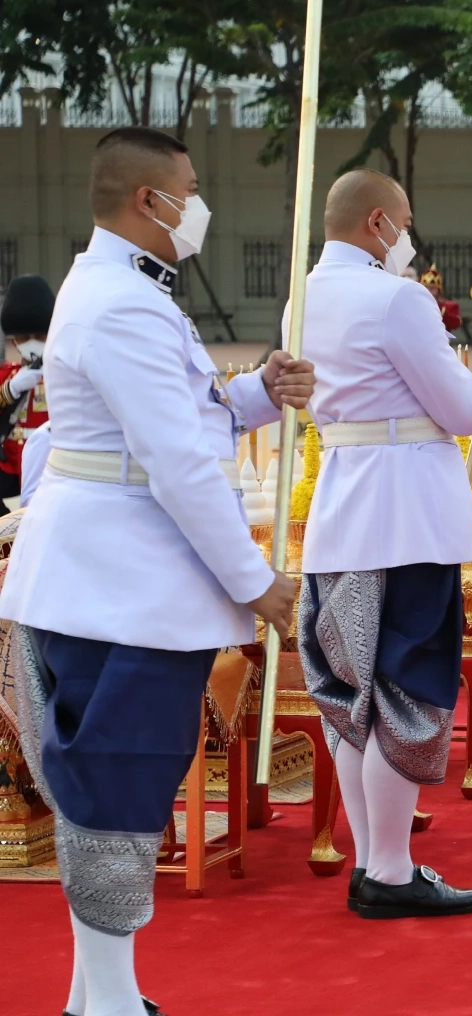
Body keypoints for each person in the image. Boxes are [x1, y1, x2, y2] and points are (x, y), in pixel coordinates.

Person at [0, 126, 309, 1016]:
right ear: (150, 201)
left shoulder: (110, 289)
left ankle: (98, 998)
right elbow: (175, 461)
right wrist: (254, 583)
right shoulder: (125, 303)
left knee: (112, 795)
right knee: (116, 796)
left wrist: (256, 390)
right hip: (121, 589)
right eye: (191, 188)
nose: (198, 205)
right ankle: (113, 1003)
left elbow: (186, 412)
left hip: (102, 581)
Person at [292, 168, 472, 920]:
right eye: (407, 220)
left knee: (351, 696)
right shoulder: (397, 297)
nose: (410, 235)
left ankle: (378, 861)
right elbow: (459, 410)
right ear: (380, 223)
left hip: (340, 510)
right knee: (407, 689)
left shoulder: (304, 298)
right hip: (405, 516)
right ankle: (388, 869)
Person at [0, 274, 55, 509]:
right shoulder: (6, 378)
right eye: (24, 337)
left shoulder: (70, 377)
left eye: (40, 336)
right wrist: (9, 391)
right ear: (14, 342)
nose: (32, 342)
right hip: (12, 485)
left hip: (53, 481)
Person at [420, 263, 463, 335]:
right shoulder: (416, 305)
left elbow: (456, 323)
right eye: (425, 288)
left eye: (432, 288)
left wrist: (438, 308)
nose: (428, 291)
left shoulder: (448, 306)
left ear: (439, 291)